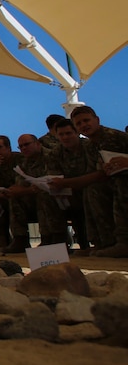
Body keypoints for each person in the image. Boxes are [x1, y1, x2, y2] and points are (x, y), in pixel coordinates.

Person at [49, 106, 128, 257]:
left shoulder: (116, 137)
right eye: (79, 123)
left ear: (97, 120)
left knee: (116, 184)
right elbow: (95, 174)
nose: (84, 125)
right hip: (110, 182)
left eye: (86, 120)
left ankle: (124, 242)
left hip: (122, 181)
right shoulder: (91, 145)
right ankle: (103, 242)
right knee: (92, 189)